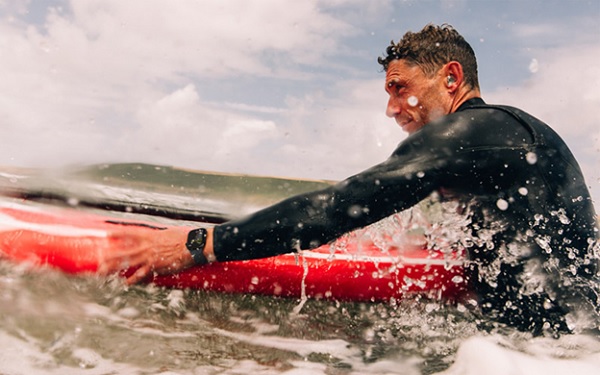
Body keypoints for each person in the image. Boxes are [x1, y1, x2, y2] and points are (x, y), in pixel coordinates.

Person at [101, 24, 599, 336]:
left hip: (552, 350)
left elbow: (339, 207)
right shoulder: (503, 138)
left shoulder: (466, 136)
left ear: (451, 79)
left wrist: (201, 243)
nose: (390, 109)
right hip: (564, 339)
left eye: (399, 89)